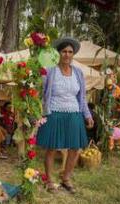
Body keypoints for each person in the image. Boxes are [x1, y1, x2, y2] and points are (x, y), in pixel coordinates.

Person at [37, 37, 94, 193]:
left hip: (74, 113)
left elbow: (82, 96)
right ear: (58, 53)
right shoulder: (50, 71)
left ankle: (66, 178)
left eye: (70, 52)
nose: (67, 55)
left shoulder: (78, 73)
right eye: (64, 51)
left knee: (75, 148)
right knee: (52, 148)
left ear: (73, 54)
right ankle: (49, 181)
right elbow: (41, 91)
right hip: (54, 112)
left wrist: (87, 115)